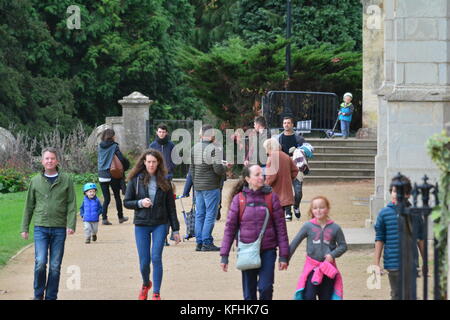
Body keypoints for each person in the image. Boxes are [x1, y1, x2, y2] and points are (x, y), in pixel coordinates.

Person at [220, 165, 289, 300]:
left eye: (262, 174)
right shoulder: (239, 199)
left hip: (268, 250)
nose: (261, 177)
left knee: (266, 288)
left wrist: (284, 255)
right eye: (257, 175)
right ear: (248, 179)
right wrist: (224, 255)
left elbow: (281, 227)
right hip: (247, 249)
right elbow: (230, 228)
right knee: (249, 294)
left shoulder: (271, 197)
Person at [124, 149, 181, 300]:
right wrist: (140, 203)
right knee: (144, 262)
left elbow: (171, 208)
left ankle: (156, 293)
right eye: (148, 162)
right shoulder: (135, 180)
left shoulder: (165, 181)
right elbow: (127, 202)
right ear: (144, 162)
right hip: (142, 224)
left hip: (160, 224)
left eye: (154, 162)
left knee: (156, 257)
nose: (151, 165)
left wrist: (175, 229)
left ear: (158, 163)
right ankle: (145, 284)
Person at [21, 147, 77, 300]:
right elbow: (29, 206)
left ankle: (51, 296)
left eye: (52, 158)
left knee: (55, 266)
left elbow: (72, 204)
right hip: (41, 228)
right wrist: (24, 227)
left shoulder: (66, 180)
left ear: (57, 161)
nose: (50, 161)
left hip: (59, 228)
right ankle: (38, 295)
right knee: (40, 263)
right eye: (47, 158)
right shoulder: (35, 181)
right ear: (42, 161)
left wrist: (71, 224)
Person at [374, 174, 425, 300]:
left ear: (408, 194)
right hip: (393, 263)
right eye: (395, 191)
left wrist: (425, 262)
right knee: (396, 294)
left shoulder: (415, 214)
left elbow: (420, 239)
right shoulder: (384, 213)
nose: (397, 194)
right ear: (391, 192)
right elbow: (380, 238)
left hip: (411, 263)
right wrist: (376, 263)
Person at [289, 196, 347, 300]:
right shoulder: (308, 226)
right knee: (309, 295)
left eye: (321, 207)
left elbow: (343, 246)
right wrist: (284, 259)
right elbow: (295, 242)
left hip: (328, 268)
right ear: (311, 210)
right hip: (312, 268)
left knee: (326, 296)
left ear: (327, 209)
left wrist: (332, 255)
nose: (318, 210)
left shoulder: (335, 228)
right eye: (315, 208)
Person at [190, 124, 230, 251]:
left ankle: (199, 242)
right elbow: (218, 169)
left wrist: (195, 184)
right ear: (212, 134)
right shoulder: (214, 149)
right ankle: (207, 241)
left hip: (198, 186)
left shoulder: (194, 148)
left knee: (200, 214)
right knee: (210, 215)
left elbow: (192, 169)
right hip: (211, 185)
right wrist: (226, 167)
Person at [97, 128, 129, 225]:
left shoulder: (100, 146)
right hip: (112, 174)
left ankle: (104, 218)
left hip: (101, 174)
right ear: (112, 136)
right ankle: (120, 217)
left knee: (106, 198)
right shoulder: (114, 146)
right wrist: (127, 165)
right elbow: (121, 158)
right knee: (117, 196)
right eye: (114, 135)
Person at [275, 116, 305, 220]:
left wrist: (297, 153)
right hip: (284, 168)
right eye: (284, 123)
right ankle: (288, 212)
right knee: (286, 192)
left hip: (296, 168)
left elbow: (306, 152)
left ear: (292, 125)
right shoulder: (279, 138)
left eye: (288, 123)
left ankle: (296, 206)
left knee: (298, 192)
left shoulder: (299, 138)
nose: (286, 125)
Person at [263, 138, 299, 222]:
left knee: (276, 203)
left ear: (269, 147)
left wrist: (266, 184)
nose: (266, 151)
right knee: (286, 199)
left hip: (275, 186)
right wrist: (290, 178)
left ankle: (284, 215)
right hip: (286, 183)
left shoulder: (271, 158)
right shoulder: (286, 156)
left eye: (265, 149)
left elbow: (271, 175)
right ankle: (288, 214)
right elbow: (295, 170)